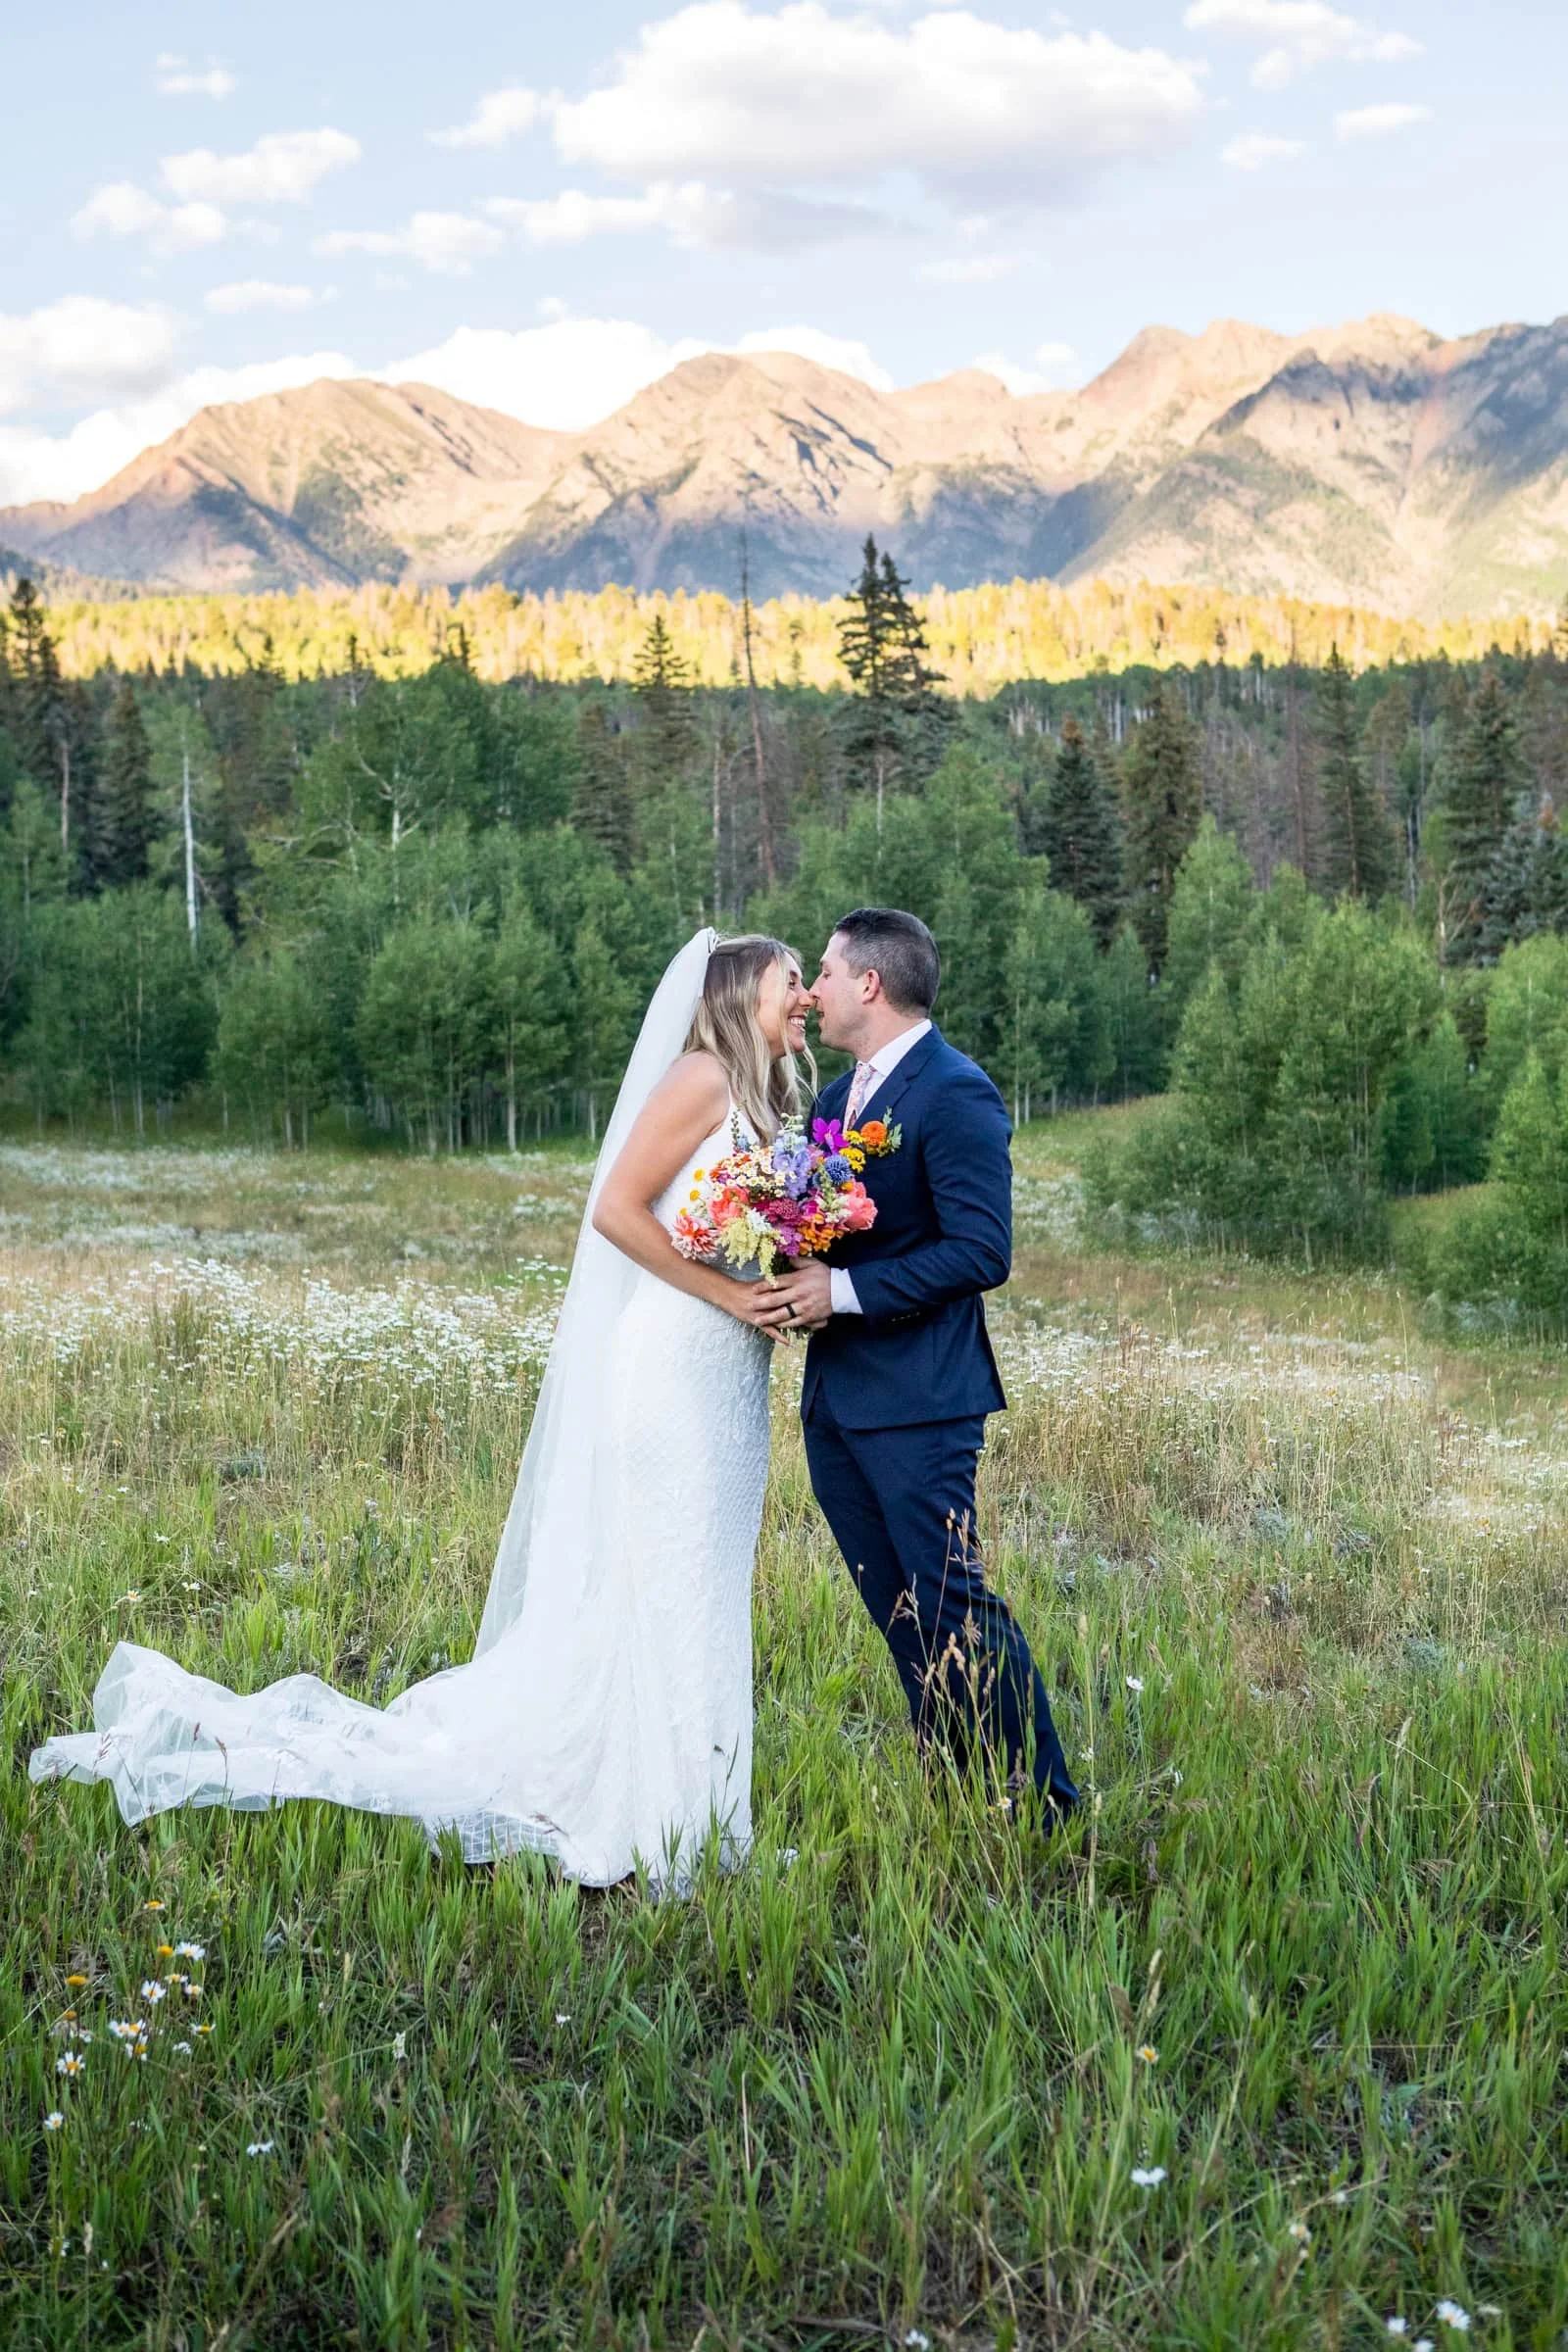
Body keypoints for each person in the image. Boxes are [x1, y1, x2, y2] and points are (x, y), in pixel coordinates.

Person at [30, 932, 812, 1891]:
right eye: (790, 981)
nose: (806, 997)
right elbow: (616, 1209)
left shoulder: (766, 1102)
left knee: (699, 1589)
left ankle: (701, 1815)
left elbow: (741, 1223)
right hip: (674, 1366)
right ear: (740, 994)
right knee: (669, 1583)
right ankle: (662, 1826)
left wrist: (786, 1273)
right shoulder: (700, 1078)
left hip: (728, 1379)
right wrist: (726, 1293)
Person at [761, 907, 1079, 1821]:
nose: (811, 990)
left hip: (923, 1403)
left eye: (823, 972)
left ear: (870, 983)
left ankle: (1047, 1801)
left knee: (953, 1603)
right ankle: (961, 1784)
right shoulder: (831, 1103)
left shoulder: (956, 1092)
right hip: (838, 1405)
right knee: (897, 1613)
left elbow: (984, 1251)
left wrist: (843, 1296)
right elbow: (816, 1236)